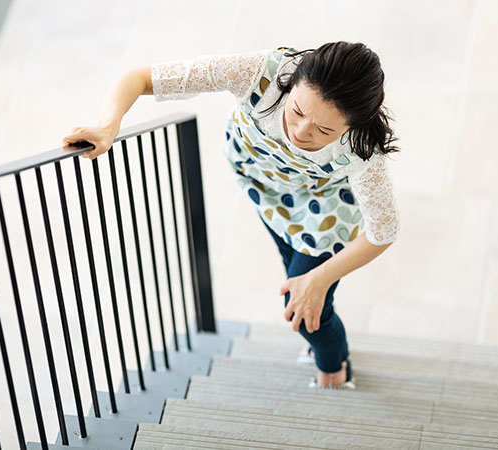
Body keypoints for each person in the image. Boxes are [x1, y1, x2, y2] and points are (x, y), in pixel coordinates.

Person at [62, 41, 401, 389]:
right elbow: (139, 78)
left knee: (305, 306)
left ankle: (335, 369)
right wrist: (108, 125)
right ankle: (320, 338)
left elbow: (384, 230)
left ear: (351, 126)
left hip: (324, 215)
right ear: (292, 81)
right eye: (297, 110)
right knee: (297, 282)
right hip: (268, 193)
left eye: (324, 131)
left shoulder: (362, 150)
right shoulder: (260, 73)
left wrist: (320, 278)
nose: (301, 132)